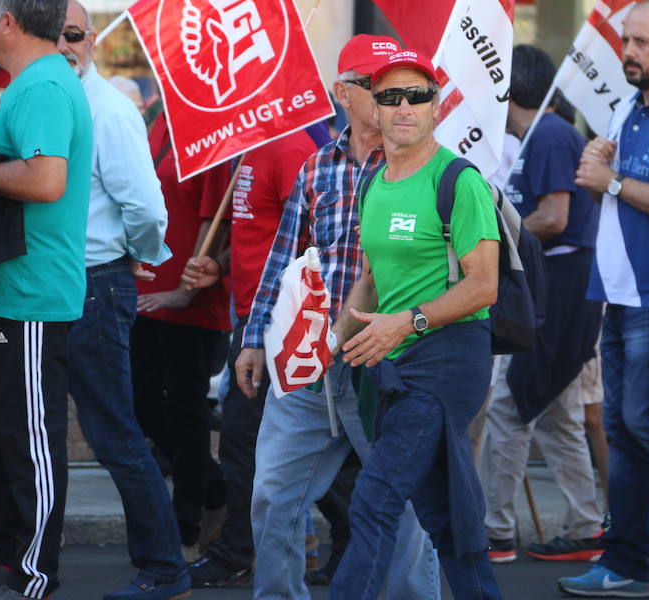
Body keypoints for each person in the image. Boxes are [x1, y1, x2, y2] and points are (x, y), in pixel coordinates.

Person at [240, 35, 440, 600]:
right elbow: (284, 258)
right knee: (274, 495)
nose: (393, 99)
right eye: (378, 86)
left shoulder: (432, 169)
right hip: (313, 360)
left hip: (392, 361)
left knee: (403, 506)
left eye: (403, 90)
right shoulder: (315, 167)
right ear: (344, 93)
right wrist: (255, 338)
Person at [326, 48, 502, 600]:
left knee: (373, 499)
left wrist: (408, 322)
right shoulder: (374, 182)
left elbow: (484, 285)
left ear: (436, 104)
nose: (405, 106)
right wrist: (334, 340)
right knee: (444, 517)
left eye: (418, 95)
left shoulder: (458, 179)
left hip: (449, 357)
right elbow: (373, 280)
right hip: (393, 365)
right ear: (373, 108)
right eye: (390, 97)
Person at [0, 0, 92, 598]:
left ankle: (32, 572)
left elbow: (46, 179)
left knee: (28, 440)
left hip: (28, 297)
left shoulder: (47, 84)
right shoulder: (31, 82)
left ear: (7, 23)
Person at [558, 1, 649, 596]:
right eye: (626, 39)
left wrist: (611, 180)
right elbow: (618, 200)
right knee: (623, 428)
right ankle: (623, 566)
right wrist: (600, 167)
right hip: (616, 287)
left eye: (642, 42)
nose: (627, 51)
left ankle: (623, 560)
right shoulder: (628, 111)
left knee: (645, 416)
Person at [54, 3, 191, 599]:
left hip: (92, 284)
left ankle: (164, 567)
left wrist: (136, 254)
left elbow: (146, 207)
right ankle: (20, 562)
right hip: (51, 285)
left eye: (76, 35)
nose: (65, 45)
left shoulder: (107, 109)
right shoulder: (37, 100)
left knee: (113, 434)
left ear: (92, 42)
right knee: (23, 433)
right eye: (53, 34)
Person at [180, 123, 329, 587]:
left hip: (278, 319)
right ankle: (336, 544)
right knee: (262, 440)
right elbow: (259, 232)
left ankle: (239, 552)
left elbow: (313, 235)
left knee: (250, 439)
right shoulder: (247, 152)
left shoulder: (290, 150)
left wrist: (286, 315)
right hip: (248, 314)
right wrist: (218, 265)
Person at [477, 44, 604, 564]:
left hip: (564, 288)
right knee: (555, 414)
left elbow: (553, 217)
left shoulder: (550, 132)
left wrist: (493, 238)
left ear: (514, 89)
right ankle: (587, 525)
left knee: (508, 408)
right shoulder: (540, 135)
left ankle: (496, 534)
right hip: (561, 286)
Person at [131, 109, 231, 563]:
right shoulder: (159, 120)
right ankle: (216, 490)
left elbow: (214, 217)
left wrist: (183, 291)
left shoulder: (209, 128)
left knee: (185, 415)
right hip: (146, 292)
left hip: (187, 300)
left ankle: (186, 529)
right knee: (143, 406)